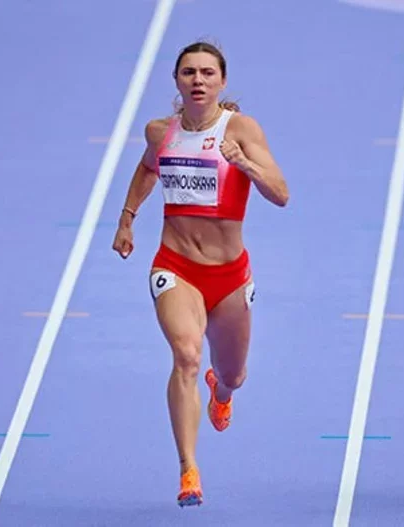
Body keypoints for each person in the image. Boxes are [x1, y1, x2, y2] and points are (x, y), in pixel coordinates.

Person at [111, 41, 289, 508]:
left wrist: (244, 163)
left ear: (222, 82)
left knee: (233, 374)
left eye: (208, 73)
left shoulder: (242, 130)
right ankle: (188, 468)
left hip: (229, 277)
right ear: (177, 80)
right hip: (176, 266)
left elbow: (281, 193)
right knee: (186, 355)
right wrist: (127, 218)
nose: (198, 80)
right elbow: (147, 169)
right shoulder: (160, 132)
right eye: (189, 72)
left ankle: (221, 390)